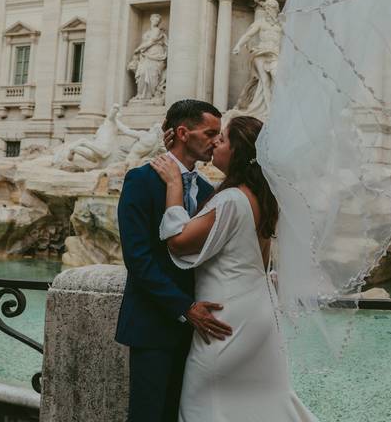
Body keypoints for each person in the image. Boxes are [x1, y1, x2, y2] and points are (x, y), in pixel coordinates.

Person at [152, 116, 318, 422]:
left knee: (202, 404)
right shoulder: (266, 198)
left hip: (226, 316)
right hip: (258, 311)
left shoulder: (231, 199)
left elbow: (178, 242)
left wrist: (175, 183)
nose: (216, 142)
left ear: (239, 153)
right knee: (263, 403)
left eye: (223, 139)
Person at [115, 99, 231, 422]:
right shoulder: (140, 180)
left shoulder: (208, 189)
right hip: (153, 324)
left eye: (220, 135)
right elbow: (137, 259)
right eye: (210, 133)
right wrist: (184, 307)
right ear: (182, 132)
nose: (215, 141)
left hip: (197, 330)